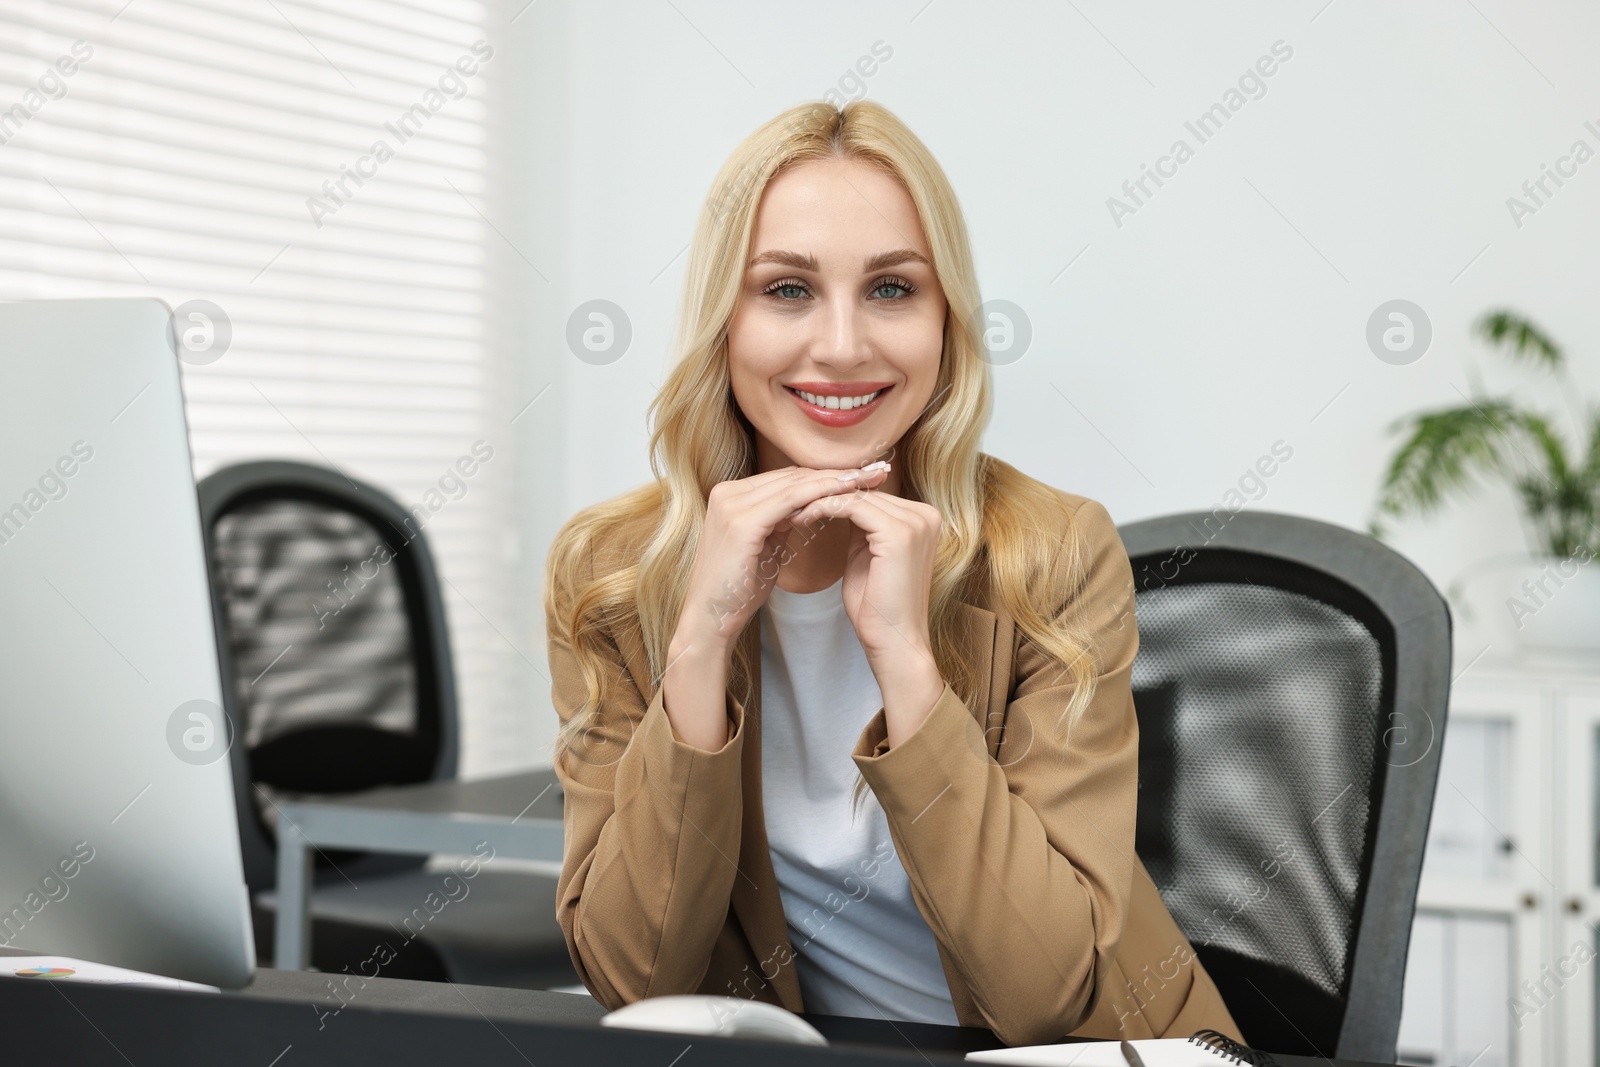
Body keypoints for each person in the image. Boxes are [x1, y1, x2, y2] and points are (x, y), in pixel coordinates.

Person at [543, 98, 1243, 1047]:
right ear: (722, 320)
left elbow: (1046, 996)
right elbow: (635, 981)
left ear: (945, 318)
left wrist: (908, 664)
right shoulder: (610, 576)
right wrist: (699, 644)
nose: (841, 345)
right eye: (787, 289)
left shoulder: (1055, 555)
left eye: (891, 289)